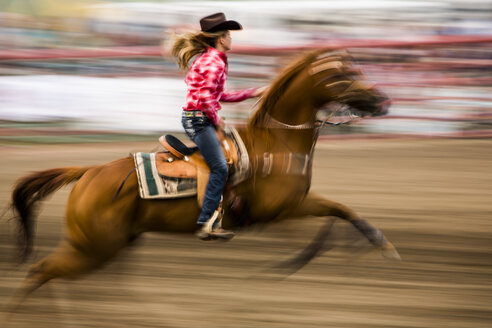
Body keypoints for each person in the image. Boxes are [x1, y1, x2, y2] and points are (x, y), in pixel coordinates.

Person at [170, 12, 265, 240]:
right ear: (221, 39)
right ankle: (207, 222)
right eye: (229, 34)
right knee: (220, 167)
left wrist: (253, 93)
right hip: (198, 120)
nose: (231, 38)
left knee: (229, 160)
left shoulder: (212, 59)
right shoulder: (213, 62)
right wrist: (215, 120)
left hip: (199, 118)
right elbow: (205, 99)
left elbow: (219, 95)